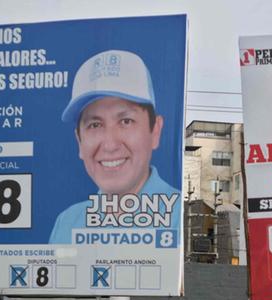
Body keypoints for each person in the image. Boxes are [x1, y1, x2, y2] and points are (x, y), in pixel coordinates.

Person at [48, 50, 182, 244]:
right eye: (95, 125)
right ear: (79, 141)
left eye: (126, 121)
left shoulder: (180, 217)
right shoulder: (67, 223)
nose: (110, 145)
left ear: (155, 131)